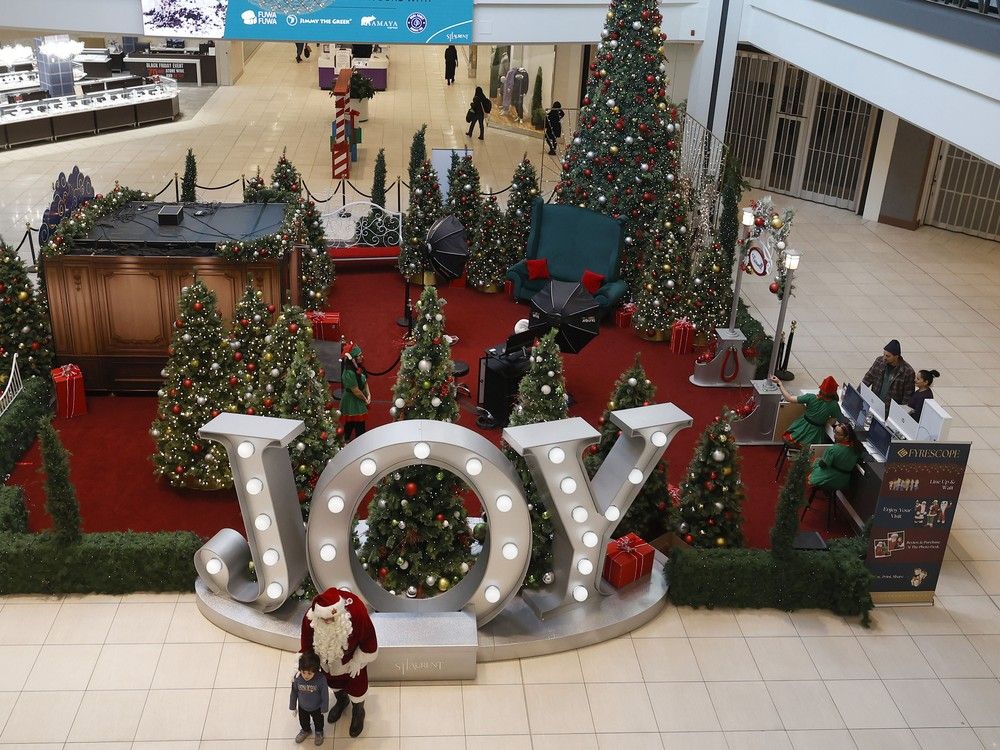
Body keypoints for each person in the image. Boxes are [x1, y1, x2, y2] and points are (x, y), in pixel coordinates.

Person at [300, 587, 378, 738]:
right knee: (334, 684)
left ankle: (358, 711)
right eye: (324, 619)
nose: (328, 621)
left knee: (358, 689)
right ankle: (342, 701)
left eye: (332, 618)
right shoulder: (310, 619)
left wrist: (358, 660)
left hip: (352, 663)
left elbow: (369, 640)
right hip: (327, 663)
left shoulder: (357, 612)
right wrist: (305, 665)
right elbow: (306, 644)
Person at [770, 374, 843, 448]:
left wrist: (779, 383)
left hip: (799, 429)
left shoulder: (811, 397)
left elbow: (789, 398)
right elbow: (832, 421)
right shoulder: (834, 405)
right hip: (815, 436)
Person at [809, 421, 861, 493]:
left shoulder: (833, 449)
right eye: (835, 432)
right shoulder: (857, 449)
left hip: (830, 479)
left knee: (814, 462)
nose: (834, 436)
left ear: (846, 437)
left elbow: (823, 465)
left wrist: (819, 459)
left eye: (838, 434)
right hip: (843, 482)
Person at [290, 651, 329, 745]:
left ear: (315, 671)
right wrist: (293, 706)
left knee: (318, 722)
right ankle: (306, 730)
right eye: (303, 672)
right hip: (302, 706)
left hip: (317, 707)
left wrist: (324, 708)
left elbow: (325, 694)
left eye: (309, 673)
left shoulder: (321, 679)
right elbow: (294, 692)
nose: (306, 676)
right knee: (303, 721)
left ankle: (319, 732)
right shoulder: (297, 678)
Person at [862, 339, 915, 406]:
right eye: (884, 354)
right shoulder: (879, 361)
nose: (884, 358)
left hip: (890, 408)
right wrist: (858, 394)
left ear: (896, 356)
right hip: (874, 403)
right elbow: (868, 378)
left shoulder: (908, 372)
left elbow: (907, 396)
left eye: (887, 356)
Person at [340, 341, 370, 441]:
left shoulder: (358, 367)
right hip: (352, 401)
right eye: (359, 355)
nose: (362, 357)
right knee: (356, 424)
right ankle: (354, 441)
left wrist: (369, 394)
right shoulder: (349, 373)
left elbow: (365, 381)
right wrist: (365, 399)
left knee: (353, 423)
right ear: (353, 358)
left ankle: (346, 439)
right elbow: (356, 391)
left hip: (359, 398)